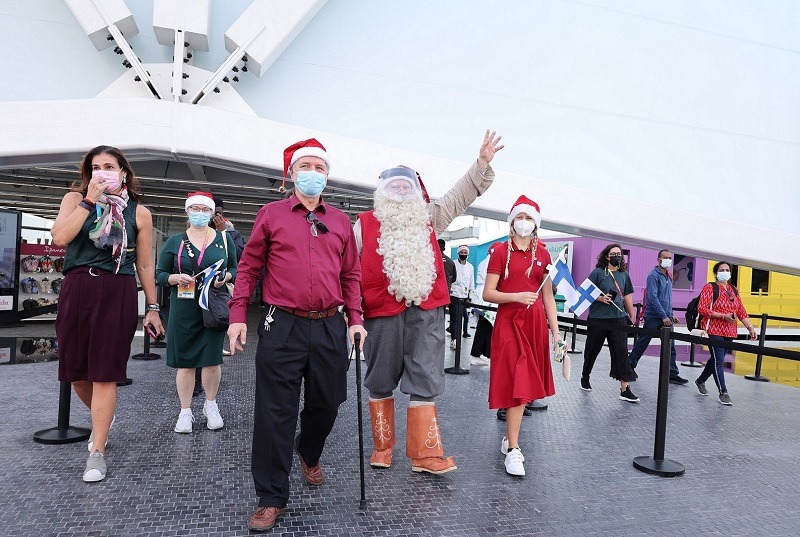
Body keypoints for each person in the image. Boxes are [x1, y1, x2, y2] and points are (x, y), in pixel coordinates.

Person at [227, 138, 367, 532]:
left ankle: (308, 449)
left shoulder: (340, 221)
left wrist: (355, 318)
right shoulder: (271, 214)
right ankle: (271, 496)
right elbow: (249, 267)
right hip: (281, 324)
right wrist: (238, 313)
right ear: (291, 174)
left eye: (320, 167)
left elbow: (351, 274)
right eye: (305, 166)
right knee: (275, 412)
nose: (312, 174)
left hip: (328, 324)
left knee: (329, 401)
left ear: (327, 174)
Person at [355, 130, 503, 474]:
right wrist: (352, 316)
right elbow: (347, 270)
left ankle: (425, 455)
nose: (402, 190)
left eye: (408, 186)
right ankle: (383, 448)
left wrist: (481, 163)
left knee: (426, 376)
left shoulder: (431, 216)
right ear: (382, 194)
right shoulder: (362, 226)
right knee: (379, 378)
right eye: (395, 187)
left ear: (418, 192)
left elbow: (460, 195)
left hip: (426, 312)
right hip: (380, 313)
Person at [50, 145, 164, 482]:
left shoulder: (139, 213)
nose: (103, 171)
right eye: (96, 167)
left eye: (109, 166)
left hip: (118, 289)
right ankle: (104, 416)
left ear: (123, 173)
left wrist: (154, 308)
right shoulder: (74, 201)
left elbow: (144, 263)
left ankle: (97, 449)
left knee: (105, 370)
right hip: (77, 285)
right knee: (74, 370)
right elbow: (60, 237)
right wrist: (89, 200)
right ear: (89, 173)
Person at [483, 195, 562, 477]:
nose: (524, 223)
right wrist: (516, 296)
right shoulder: (499, 252)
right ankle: (514, 449)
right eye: (520, 217)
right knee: (516, 383)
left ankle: (510, 440)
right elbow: (488, 293)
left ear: (536, 223)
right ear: (512, 220)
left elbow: (548, 297)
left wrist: (556, 332)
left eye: (529, 218)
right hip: (508, 324)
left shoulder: (543, 254)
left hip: (534, 325)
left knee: (524, 387)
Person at [156, 192, 238, 433]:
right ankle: (185, 411)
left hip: (213, 306)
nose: (200, 213)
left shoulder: (223, 239)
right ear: (187, 211)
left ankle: (211, 406)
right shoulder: (175, 242)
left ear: (212, 213)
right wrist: (173, 277)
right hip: (184, 308)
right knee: (186, 362)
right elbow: (160, 273)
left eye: (205, 209)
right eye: (195, 208)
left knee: (212, 361)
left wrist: (227, 277)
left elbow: (234, 266)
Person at [580, 244, 639, 402]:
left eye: (619, 254)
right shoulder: (598, 273)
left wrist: (631, 316)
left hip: (618, 319)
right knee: (592, 350)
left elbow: (627, 296)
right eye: (613, 254)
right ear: (607, 256)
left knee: (621, 353)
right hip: (598, 318)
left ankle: (625, 389)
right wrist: (600, 298)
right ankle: (585, 376)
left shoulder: (624, 275)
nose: (617, 256)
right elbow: (585, 291)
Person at [694, 262, 757, 405]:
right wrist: (723, 316)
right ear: (716, 273)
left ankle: (700, 380)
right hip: (713, 329)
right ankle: (723, 392)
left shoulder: (733, 290)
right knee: (719, 360)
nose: (725, 272)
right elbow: (702, 308)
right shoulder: (710, 287)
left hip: (729, 331)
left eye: (727, 270)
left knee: (717, 358)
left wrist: (750, 328)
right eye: (722, 270)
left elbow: (741, 311)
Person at [627, 249, 689, 384]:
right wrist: (663, 316)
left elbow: (667, 298)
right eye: (665, 257)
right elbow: (653, 298)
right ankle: (629, 366)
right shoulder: (653, 276)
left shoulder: (668, 275)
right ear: (658, 259)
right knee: (643, 341)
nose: (668, 259)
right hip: (654, 316)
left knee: (671, 345)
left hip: (666, 317)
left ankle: (672, 373)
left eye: (669, 257)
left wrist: (671, 315)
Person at [469, 243, 501, 368]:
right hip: (488, 298)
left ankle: (483, 354)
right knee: (484, 327)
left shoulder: (485, 260)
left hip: (482, 295)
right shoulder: (492, 260)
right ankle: (476, 355)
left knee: (486, 327)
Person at [449, 244, 476, 348]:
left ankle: (460, 334)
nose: (463, 254)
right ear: (458, 253)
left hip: (464, 295)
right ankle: (454, 339)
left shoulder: (470, 267)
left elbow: (471, 282)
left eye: (465, 253)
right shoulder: (453, 264)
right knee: (455, 317)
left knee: (464, 316)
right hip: (454, 294)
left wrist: (471, 296)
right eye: (461, 253)